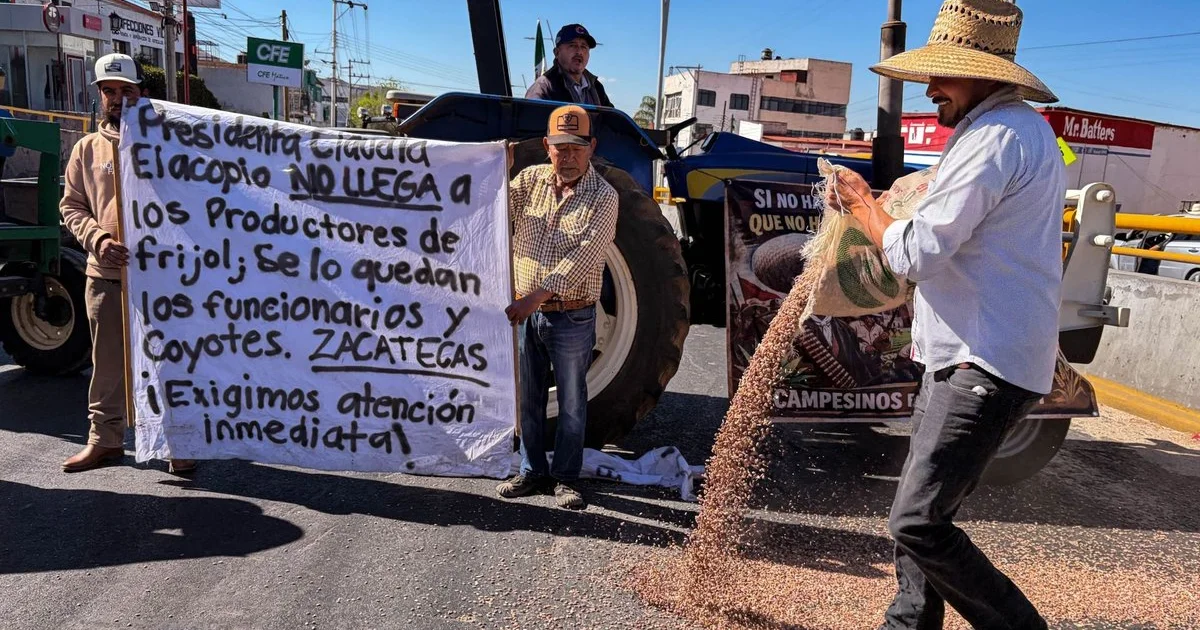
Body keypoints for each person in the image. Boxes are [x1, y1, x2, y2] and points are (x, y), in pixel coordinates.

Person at [824, 1, 1065, 628]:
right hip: (957, 352)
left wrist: (862, 204)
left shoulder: (994, 138)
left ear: (984, 72)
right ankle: (909, 623)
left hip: (985, 359)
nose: (930, 88)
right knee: (921, 507)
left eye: (943, 75)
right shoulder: (1010, 130)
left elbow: (915, 251)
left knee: (917, 519)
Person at [58, 53, 196, 475]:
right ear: (100, 95)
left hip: (164, 280)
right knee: (108, 364)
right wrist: (97, 239)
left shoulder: (172, 144)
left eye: (126, 91)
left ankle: (178, 443)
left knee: (170, 360)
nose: (117, 99)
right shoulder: (87, 148)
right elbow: (72, 206)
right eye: (109, 91)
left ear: (143, 94)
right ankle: (105, 440)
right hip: (106, 277)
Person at [496, 104, 618, 510]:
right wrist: (499, 169)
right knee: (528, 399)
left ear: (592, 147)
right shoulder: (528, 181)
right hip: (527, 316)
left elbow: (584, 257)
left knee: (570, 402)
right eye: (561, 147)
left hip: (571, 315)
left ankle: (565, 477)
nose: (568, 156)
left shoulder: (604, 197)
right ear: (547, 146)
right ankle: (531, 471)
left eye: (577, 148)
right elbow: (495, 214)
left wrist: (532, 298)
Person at [525, 24, 614, 108]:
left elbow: (613, 121)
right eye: (572, 45)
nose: (579, 52)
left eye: (584, 47)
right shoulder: (544, 87)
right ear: (557, 52)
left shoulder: (596, 86)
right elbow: (532, 121)